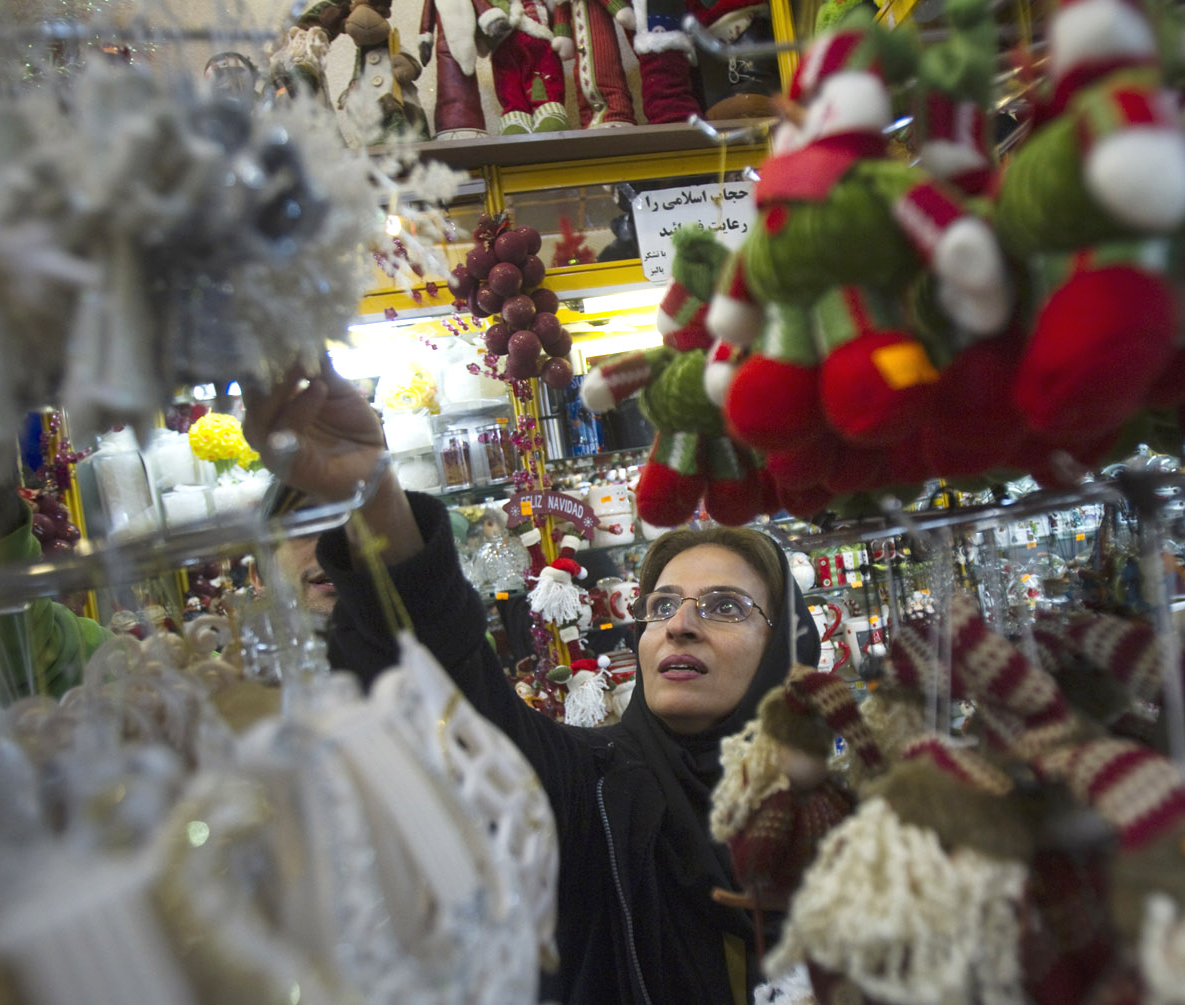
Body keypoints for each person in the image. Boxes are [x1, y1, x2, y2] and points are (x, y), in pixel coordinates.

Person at [243, 358, 820, 1004]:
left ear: (786, 652)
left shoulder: (842, 814)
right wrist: (373, 493)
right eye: (660, 605)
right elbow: (453, 691)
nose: (680, 624)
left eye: (723, 605)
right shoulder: (590, 790)